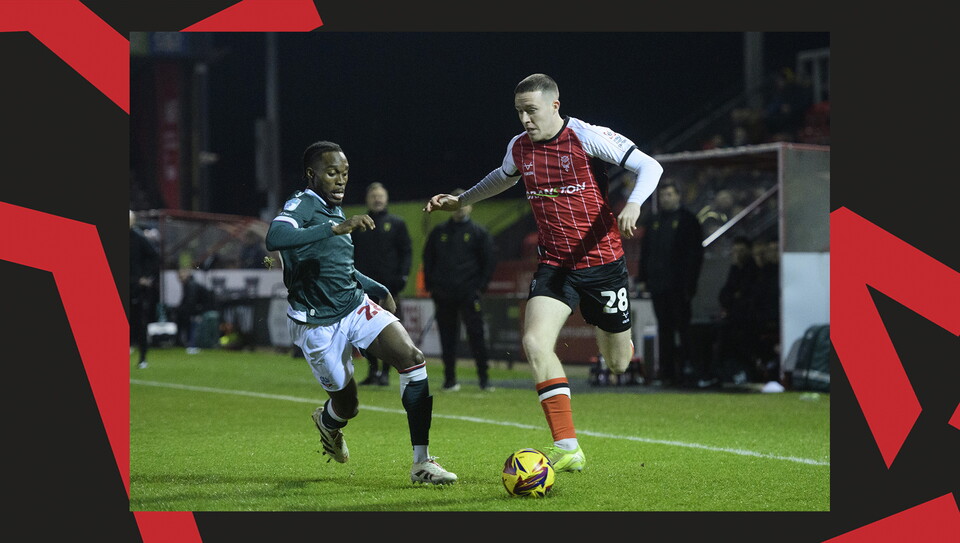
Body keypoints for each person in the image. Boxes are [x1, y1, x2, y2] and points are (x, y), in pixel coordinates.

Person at [424, 73, 663, 472]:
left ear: (554, 105)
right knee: (535, 343)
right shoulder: (519, 148)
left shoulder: (586, 136)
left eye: (531, 110)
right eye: (519, 112)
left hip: (603, 264)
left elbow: (649, 166)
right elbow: (501, 178)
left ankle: (616, 342)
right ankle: (567, 445)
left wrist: (634, 204)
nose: (525, 120)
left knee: (618, 363)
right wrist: (461, 200)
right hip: (555, 265)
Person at [266, 140, 456, 485]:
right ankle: (328, 423)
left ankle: (421, 463)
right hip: (317, 322)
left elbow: (339, 265)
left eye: (345, 173)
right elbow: (275, 236)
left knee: (412, 358)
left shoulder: (333, 208)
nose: (340, 180)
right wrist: (332, 228)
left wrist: (377, 288)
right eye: (331, 173)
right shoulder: (304, 203)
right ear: (312, 175)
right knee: (347, 405)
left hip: (354, 304)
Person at [422, 188, 496, 391]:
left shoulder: (479, 233)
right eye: (454, 205)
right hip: (444, 295)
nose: (459, 209)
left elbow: (488, 263)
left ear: (470, 206)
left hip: (469, 294)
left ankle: (484, 379)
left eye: (463, 204)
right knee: (447, 338)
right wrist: (433, 287)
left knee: (477, 336)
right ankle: (449, 379)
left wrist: (479, 288)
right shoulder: (439, 233)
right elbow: (428, 260)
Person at [636, 180, 705, 387]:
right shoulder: (655, 221)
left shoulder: (688, 221)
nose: (665, 198)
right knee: (664, 329)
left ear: (678, 196)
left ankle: (687, 370)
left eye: (669, 194)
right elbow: (646, 252)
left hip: (679, 287)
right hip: (658, 285)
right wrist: (643, 278)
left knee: (682, 329)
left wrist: (689, 285)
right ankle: (666, 373)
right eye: (662, 195)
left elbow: (695, 256)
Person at [351, 182, 413, 387]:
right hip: (364, 290)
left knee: (388, 331)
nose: (377, 199)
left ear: (386, 198)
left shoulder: (396, 224)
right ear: (367, 200)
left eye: (380, 195)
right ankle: (372, 371)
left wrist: (402, 277)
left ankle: (385, 372)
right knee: (364, 332)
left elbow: (406, 252)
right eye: (373, 196)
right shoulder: (358, 226)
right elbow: (350, 255)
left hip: (389, 289)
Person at [716, 235, 759, 384]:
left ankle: (744, 373)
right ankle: (725, 374)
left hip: (747, 319)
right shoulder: (734, 270)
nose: (737, 254)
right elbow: (724, 295)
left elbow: (748, 296)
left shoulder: (753, 270)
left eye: (741, 250)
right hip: (734, 317)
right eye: (735, 251)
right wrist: (734, 297)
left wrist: (734, 298)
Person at [130, 210, 160, 370]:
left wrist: (145, 276)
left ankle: (142, 357)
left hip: (135, 287)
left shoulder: (139, 238)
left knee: (139, 322)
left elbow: (154, 257)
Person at [176, 268, 215, 354]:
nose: (180, 278)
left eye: (181, 276)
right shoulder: (188, 284)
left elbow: (191, 300)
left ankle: (192, 345)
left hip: (201, 309)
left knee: (193, 327)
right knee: (191, 326)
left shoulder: (191, 285)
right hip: (197, 309)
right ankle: (190, 344)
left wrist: (193, 311)